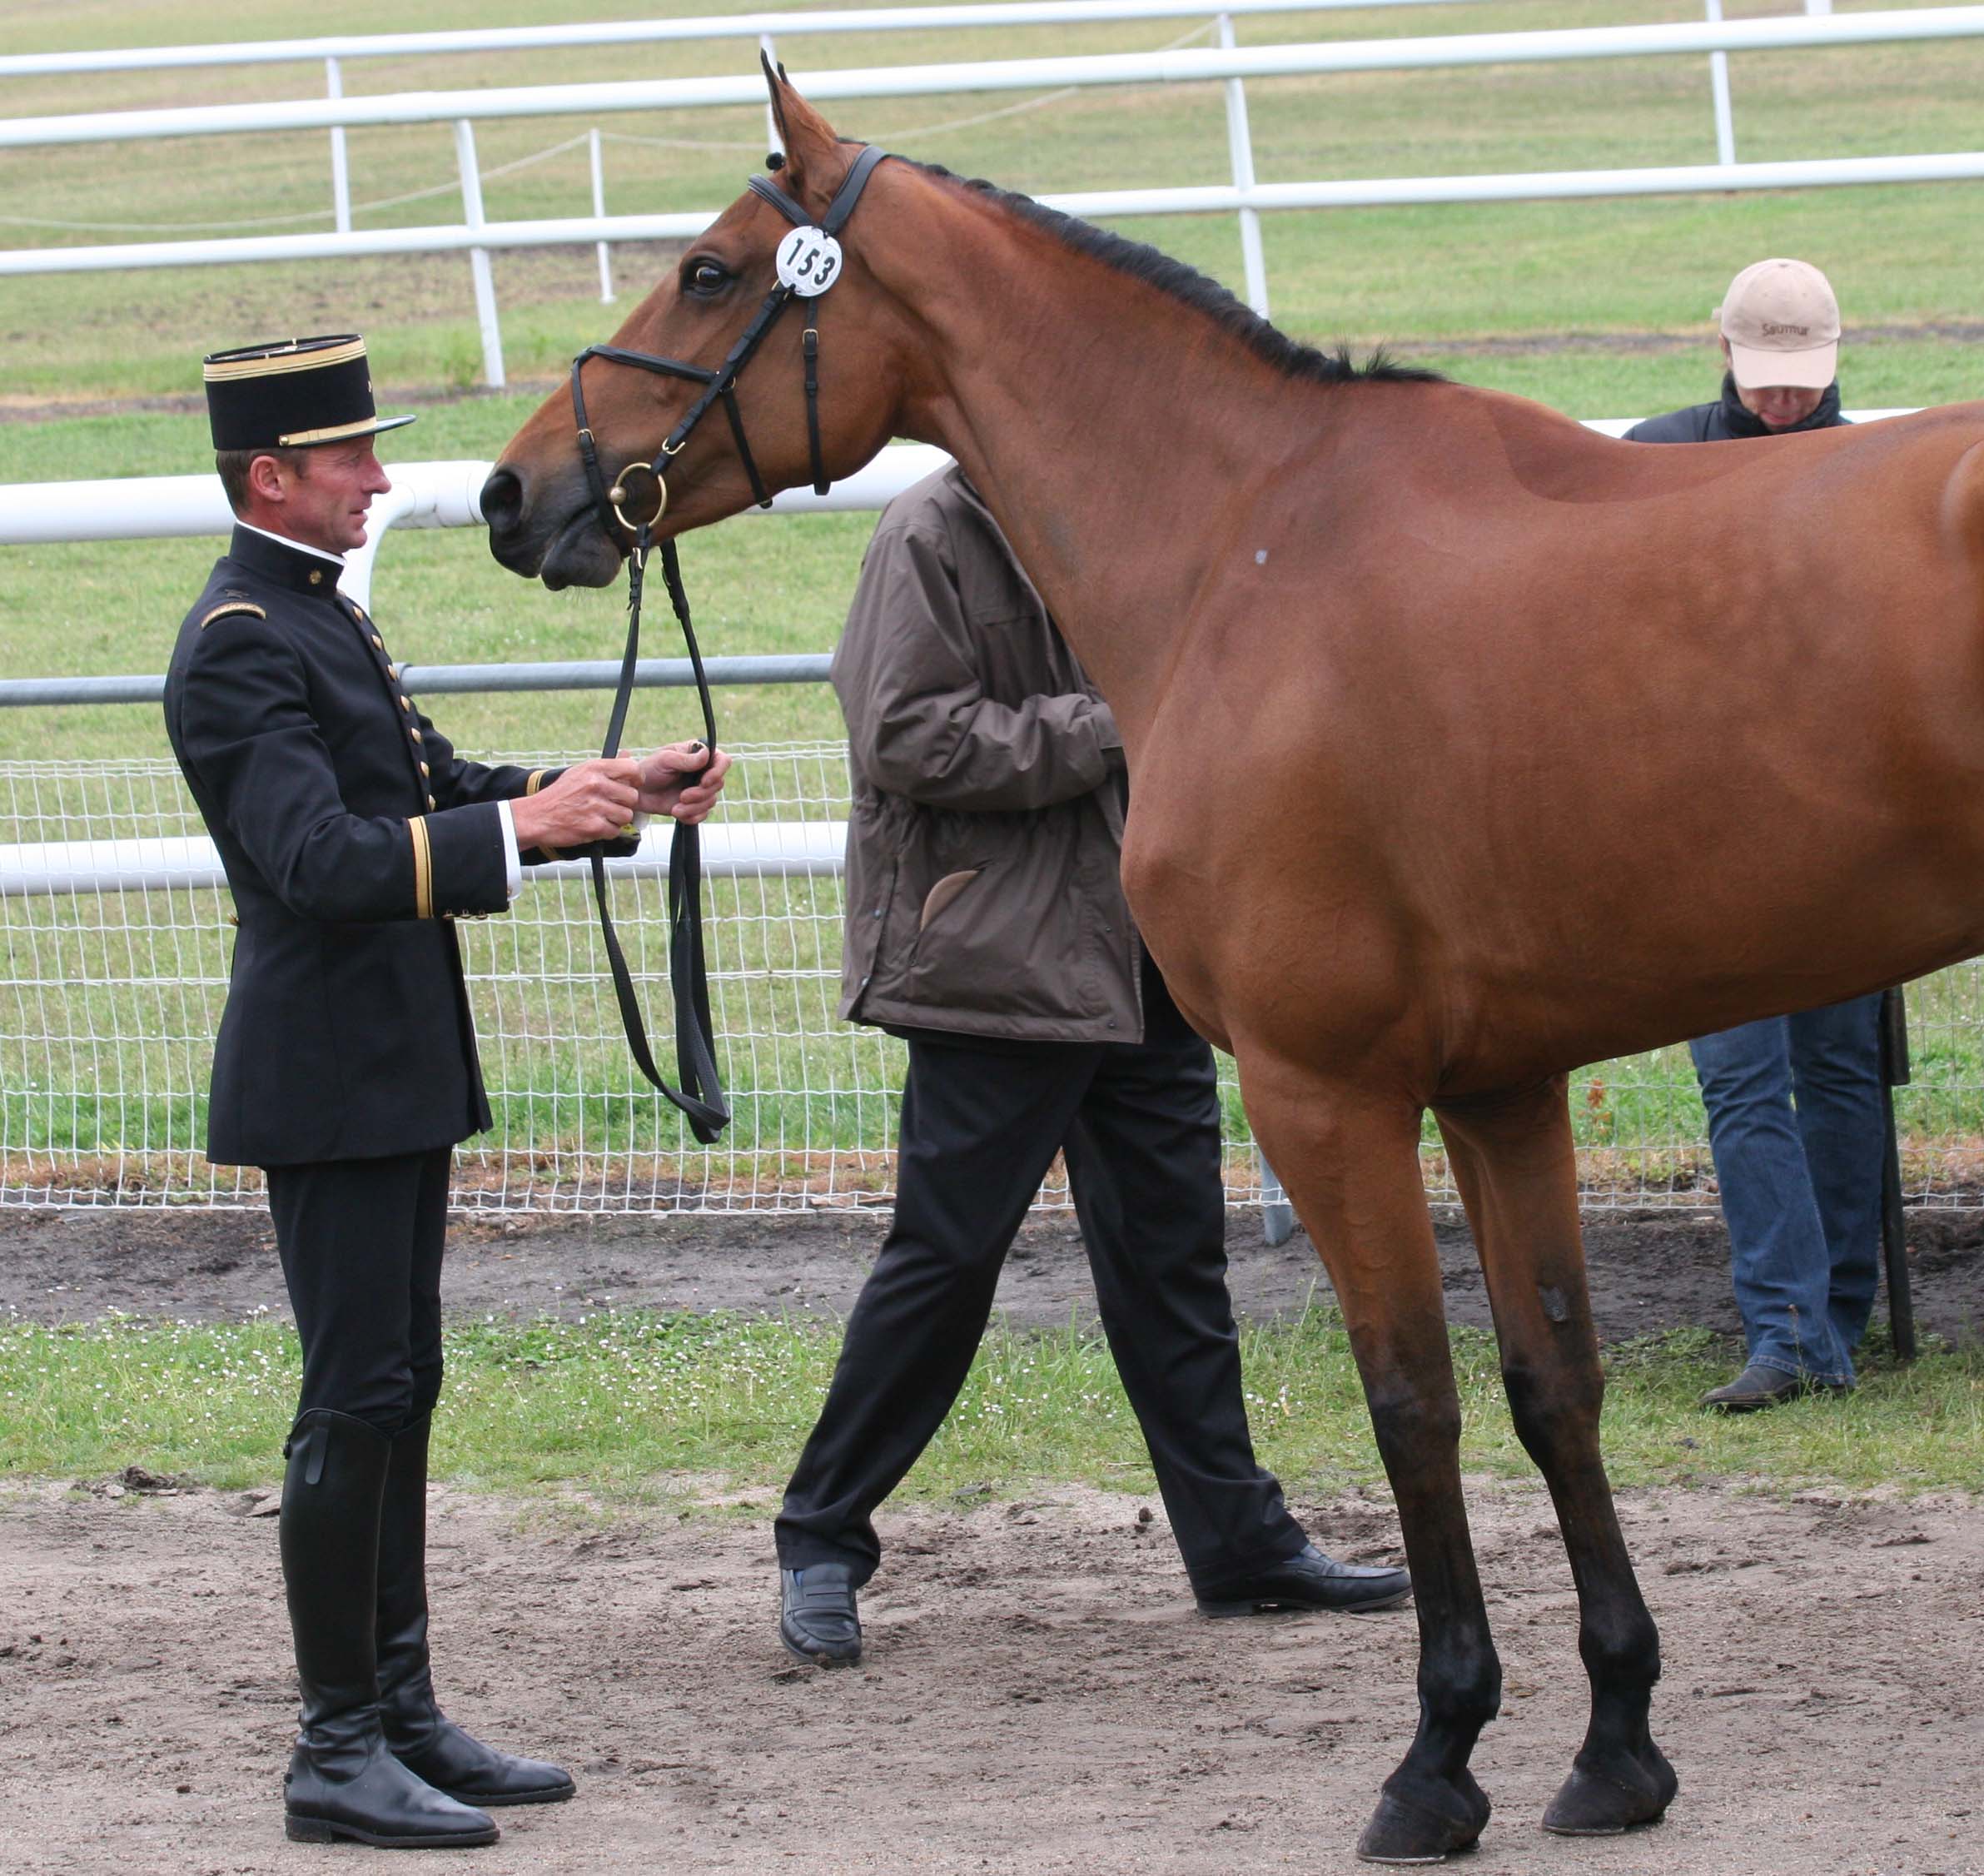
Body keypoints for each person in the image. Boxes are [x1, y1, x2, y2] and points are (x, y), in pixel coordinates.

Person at [166, 335, 731, 1849]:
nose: (378, 476)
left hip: (391, 1070)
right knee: (352, 1403)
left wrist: (597, 800)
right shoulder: (239, 637)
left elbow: (426, 788)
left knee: (398, 1390)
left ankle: (397, 1711)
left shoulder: (313, 620)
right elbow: (318, 863)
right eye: (349, 456)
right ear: (269, 476)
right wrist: (525, 829)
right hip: (329, 1080)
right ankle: (334, 1743)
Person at [771, 464, 1409, 1665]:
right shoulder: (930, 532)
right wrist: (1112, 722)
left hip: (1140, 951)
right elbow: (905, 735)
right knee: (946, 1261)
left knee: (1175, 1263)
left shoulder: (1127, 515)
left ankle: (1237, 1542)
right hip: (996, 969)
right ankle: (819, 1537)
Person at [1625, 259, 1892, 1411]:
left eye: (1804, 383)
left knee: (1836, 1070)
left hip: (1839, 827)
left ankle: (1827, 1315)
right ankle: (1794, 1327)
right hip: (1709, 832)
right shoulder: (1651, 463)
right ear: (1722, 350)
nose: (1785, 401)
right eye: (1767, 380)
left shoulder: (1880, 474)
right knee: (1747, 1076)